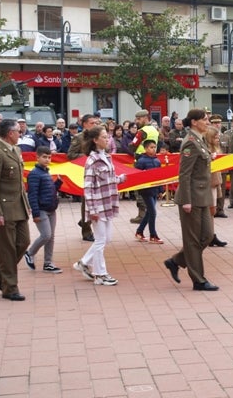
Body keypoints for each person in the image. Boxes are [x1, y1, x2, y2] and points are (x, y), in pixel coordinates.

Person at [163, 109, 219, 291]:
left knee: (208, 235)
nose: (208, 122)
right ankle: (199, 280)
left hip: (202, 196)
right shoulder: (190, 142)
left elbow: (199, 164)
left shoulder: (200, 139)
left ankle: (176, 261)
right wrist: (186, 200)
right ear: (194, 122)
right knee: (193, 239)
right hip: (192, 197)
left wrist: (209, 157)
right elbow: (184, 174)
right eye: (204, 119)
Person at [73, 126, 126, 286]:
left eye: (107, 136)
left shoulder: (107, 157)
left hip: (108, 202)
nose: (107, 139)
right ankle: (100, 274)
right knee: (101, 240)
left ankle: (84, 263)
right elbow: (88, 188)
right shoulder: (92, 160)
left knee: (105, 238)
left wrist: (119, 179)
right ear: (95, 140)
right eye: (104, 137)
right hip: (98, 205)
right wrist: (93, 210)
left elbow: (107, 178)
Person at [0, 119, 31, 301]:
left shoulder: (16, 150)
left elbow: (18, 182)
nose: (20, 134)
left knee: (23, 242)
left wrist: (26, 204)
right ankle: (10, 287)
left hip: (19, 205)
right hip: (4, 208)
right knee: (8, 249)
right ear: (10, 133)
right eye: (18, 132)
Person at [24, 146, 64, 273]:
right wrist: (35, 214)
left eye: (49, 157)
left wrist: (57, 183)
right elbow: (32, 195)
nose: (47, 159)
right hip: (41, 210)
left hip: (51, 209)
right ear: (37, 157)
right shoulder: (34, 174)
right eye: (44, 157)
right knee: (46, 235)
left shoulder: (46, 171)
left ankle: (48, 263)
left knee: (51, 237)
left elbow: (49, 190)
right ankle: (30, 253)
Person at [67, 113, 101, 241]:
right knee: (87, 202)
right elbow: (70, 154)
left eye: (96, 123)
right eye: (92, 123)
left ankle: (84, 221)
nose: (95, 125)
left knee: (97, 201)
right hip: (85, 172)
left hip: (97, 172)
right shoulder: (79, 138)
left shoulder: (98, 136)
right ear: (85, 124)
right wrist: (87, 157)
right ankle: (86, 232)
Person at [134, 140, 163, 244]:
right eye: (151, 147)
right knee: (153, 212)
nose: (154, 149)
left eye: (155, 147)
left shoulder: (157, 161)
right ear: (145, 148)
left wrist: (160, 190)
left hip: (155, 190)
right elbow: (136, 175)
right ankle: (153, 235)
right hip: (145, 190)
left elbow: (160, 177)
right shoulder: (141, 161)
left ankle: (139, 231)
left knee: (149, 212)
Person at [204, 126, 228, 247]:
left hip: (214, 181)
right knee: (209, 210)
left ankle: (211, 235)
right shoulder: (205, 149)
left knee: (212, 211)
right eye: (215, 137)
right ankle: (207, 235)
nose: (218, 139)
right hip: (207, 183)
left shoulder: (216, 148)